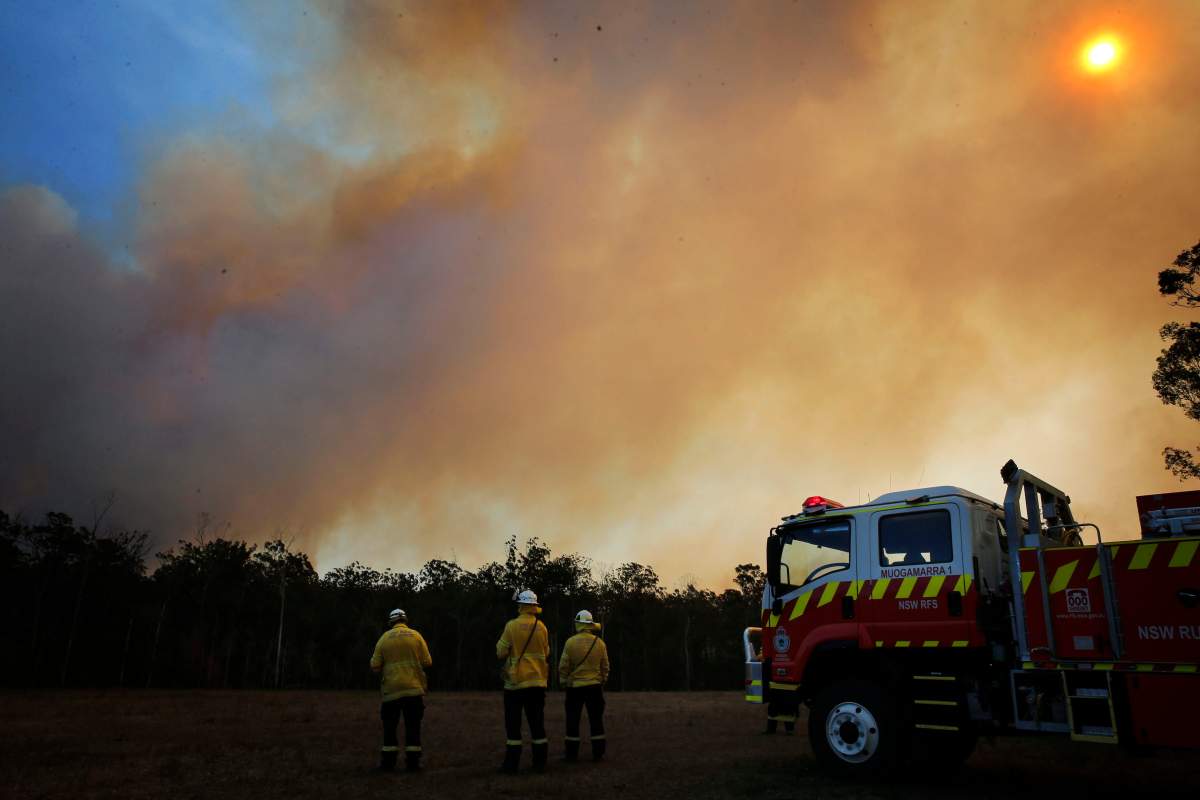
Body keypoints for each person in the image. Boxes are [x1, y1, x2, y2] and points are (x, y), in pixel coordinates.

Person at [369, 608, 432, 772]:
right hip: (413, 690)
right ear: (405, 620)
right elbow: (427, 662)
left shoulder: (384, 638)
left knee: (390, 727)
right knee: (413, 726)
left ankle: (388, 763)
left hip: (391, 691)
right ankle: (413, 763)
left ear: (391, 622)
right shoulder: (416, 636)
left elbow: (375, 666)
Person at [496, 589, 550, 773]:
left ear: (521, 605)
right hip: (537, 683)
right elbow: (546, 652)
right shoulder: (541, 627)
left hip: (515, 684)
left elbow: (500, 652)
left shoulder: (511, 626)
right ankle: (540, 763)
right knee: (537, 725)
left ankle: (511, 765)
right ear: (534, 606)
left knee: (513, 727)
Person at [558, 609, 609, 762]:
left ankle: (571, 754)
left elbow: (564, 665)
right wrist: (603, 680)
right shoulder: (600, 643)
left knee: (572, 721)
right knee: (596, 720)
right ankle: (598, 752)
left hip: (575, 688)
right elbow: (605, 665)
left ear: (578, 624)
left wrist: (563, 681)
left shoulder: (570, 642)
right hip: (594, 687)